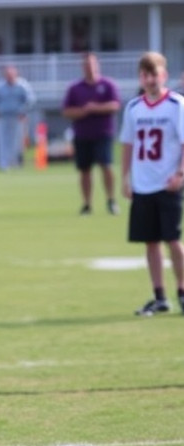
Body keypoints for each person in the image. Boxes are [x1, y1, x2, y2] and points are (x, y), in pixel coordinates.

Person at [119, 51, 184, 316]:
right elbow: (127, 143)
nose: (150, 80)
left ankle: (182, 290)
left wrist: (180, 173)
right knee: (150, 241)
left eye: (154, 74)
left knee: (173, 239)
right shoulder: (134, 107)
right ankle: (159, 296)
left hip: (167, 183)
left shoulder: (177, 105)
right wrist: (125, 176)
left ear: (163, 75)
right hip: (143, 183)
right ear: (140, 78)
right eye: (145, 75)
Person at [62, 52, 121, 216]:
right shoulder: (75, 88)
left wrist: (95, 108)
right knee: (84, 170)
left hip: (103, 133)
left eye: (92, 64)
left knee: (106, 166)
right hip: (82, 134)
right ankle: (87, 204)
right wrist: (82, 111)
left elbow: (115, 105)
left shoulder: (107, 85)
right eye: (87, 64)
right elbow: (66, 111)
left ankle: (111, 200)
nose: (90, 67)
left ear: (97, 65)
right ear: (83, 67)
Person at [0, 65, 36, 171]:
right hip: (3, 117)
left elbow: (30, 100)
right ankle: (3, 164)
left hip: (17, 117)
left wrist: (24, 112)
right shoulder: (0, 86)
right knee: (2, 141)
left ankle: (14, 162)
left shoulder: (22, 85)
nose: (9, 77)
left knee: (16, 141)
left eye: (11, 74)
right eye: (7, 75)